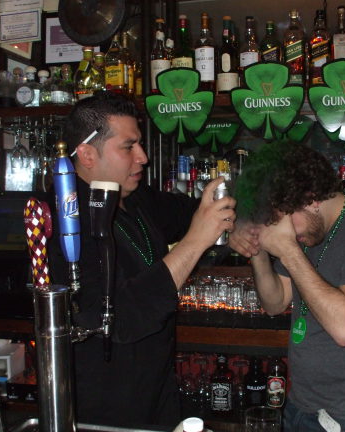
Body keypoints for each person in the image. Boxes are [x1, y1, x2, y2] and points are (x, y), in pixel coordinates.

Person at [48, 92, 235, 429]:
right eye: (128, 147)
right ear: (87, 154)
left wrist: (230, 218)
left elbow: (192, 212)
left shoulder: (134, 199)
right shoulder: (65, 222)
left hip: (157, 393)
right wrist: (195, 241)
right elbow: (120, 318)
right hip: (104, 410)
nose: (144, 158)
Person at [230, 141, 345, 432]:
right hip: (301, 405)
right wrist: (257, 250)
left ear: (310, 197)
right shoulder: (305, 234)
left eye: (281, 220)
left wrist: (287, 249)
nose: (285, 231)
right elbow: (275, 302)